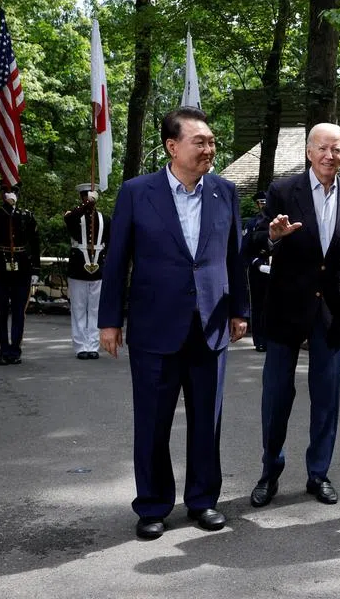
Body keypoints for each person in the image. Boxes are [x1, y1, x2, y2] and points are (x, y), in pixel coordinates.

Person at [99, 106, 250, 541]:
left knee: (207, 421)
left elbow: (235, 256)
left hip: (210, 326)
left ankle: (203, 500)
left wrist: (240, 310)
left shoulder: (224, 192)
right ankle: (152, 505)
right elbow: (117, 260)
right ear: (172, 146)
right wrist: (110, 321)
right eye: (199, 142)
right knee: (152, 421)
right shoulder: (136, 192)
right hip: (154, 327)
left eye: (212, 141)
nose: (209, 149)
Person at [244, 123, 340, 509]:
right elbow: (255, 240)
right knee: (276, 399)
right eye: (322, 148)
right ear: (308, 152)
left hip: (329, 313)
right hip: (285, 311)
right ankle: (269, 472)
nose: (329, 156)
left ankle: (319, 474)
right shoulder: (283, 192)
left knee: (327, 399)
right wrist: (272, 235)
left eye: (336, 149)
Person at [0, 182, 40, 366]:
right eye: (6, 191)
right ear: (1, 194)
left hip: (21, 267)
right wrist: (7, 209)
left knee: (19, 312)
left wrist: (36, 269)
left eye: (13, 192)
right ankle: (3, 350)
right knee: (0, 312)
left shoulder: (26, 216)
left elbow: (35, 242)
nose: (10, 194)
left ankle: (15, 350)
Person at [64, 183, 110, 360]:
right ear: (81, 197)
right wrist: (85, 206)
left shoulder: (105, 219)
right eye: (85, 196)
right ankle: (80, 346)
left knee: (95, 309)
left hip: (98, 268)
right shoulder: (74, 216)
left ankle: (93, 345)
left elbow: (110, 243)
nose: (89, 200)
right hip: (78, 268)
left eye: (91, 197)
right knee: (78, 308)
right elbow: (69, 220)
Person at [241, 191, 270, 354]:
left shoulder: (278, 220)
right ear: (257, 205)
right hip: (258, 269)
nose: (264, 206)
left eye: (266, 202)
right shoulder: (252, 223)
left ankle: (273, 340)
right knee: (258, 305)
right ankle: (260, 340)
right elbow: (245, 249)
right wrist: (256, 263)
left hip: (277, 269)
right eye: (261, 203)